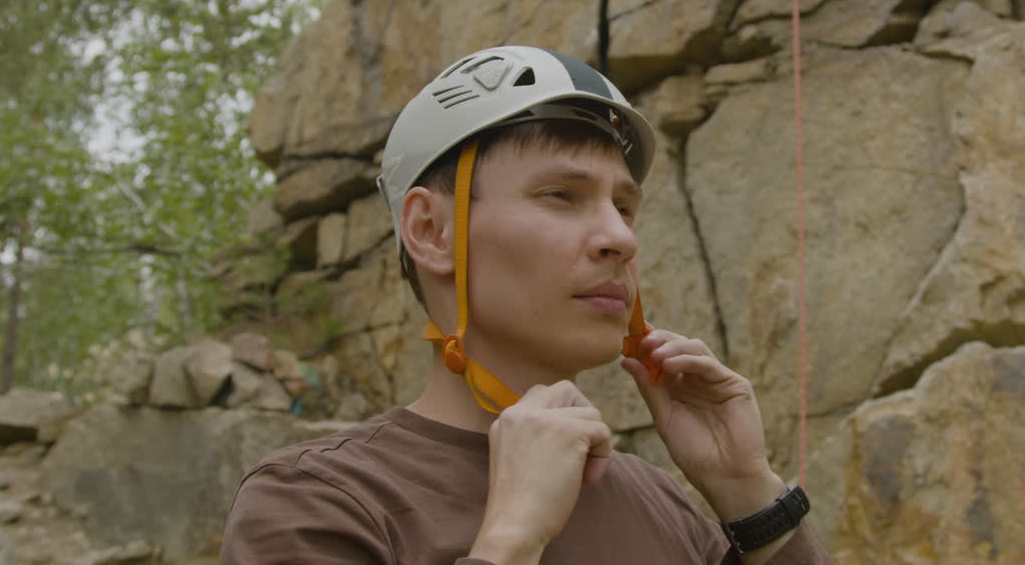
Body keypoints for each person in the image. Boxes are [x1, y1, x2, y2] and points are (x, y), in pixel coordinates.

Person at [220, 46, 835, 564]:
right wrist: (509, 540)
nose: (622, 238)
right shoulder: (319, 501)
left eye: (624, 207)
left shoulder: (661, 500)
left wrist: (750, 497)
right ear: (432, 232)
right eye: (561, 195)